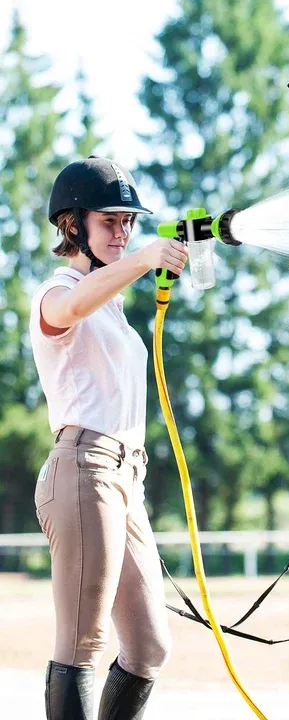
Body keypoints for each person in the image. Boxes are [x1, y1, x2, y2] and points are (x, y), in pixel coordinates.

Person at [29, 156, 188, 719]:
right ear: (73, 225)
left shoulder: (111, 307)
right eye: (110, 221)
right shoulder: (59, 293)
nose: (123, 231)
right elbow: (69, 307)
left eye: (129, 222)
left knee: (149, 646)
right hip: (84, 468)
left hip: (125, 478)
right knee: (81, 643)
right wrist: (145, 259)